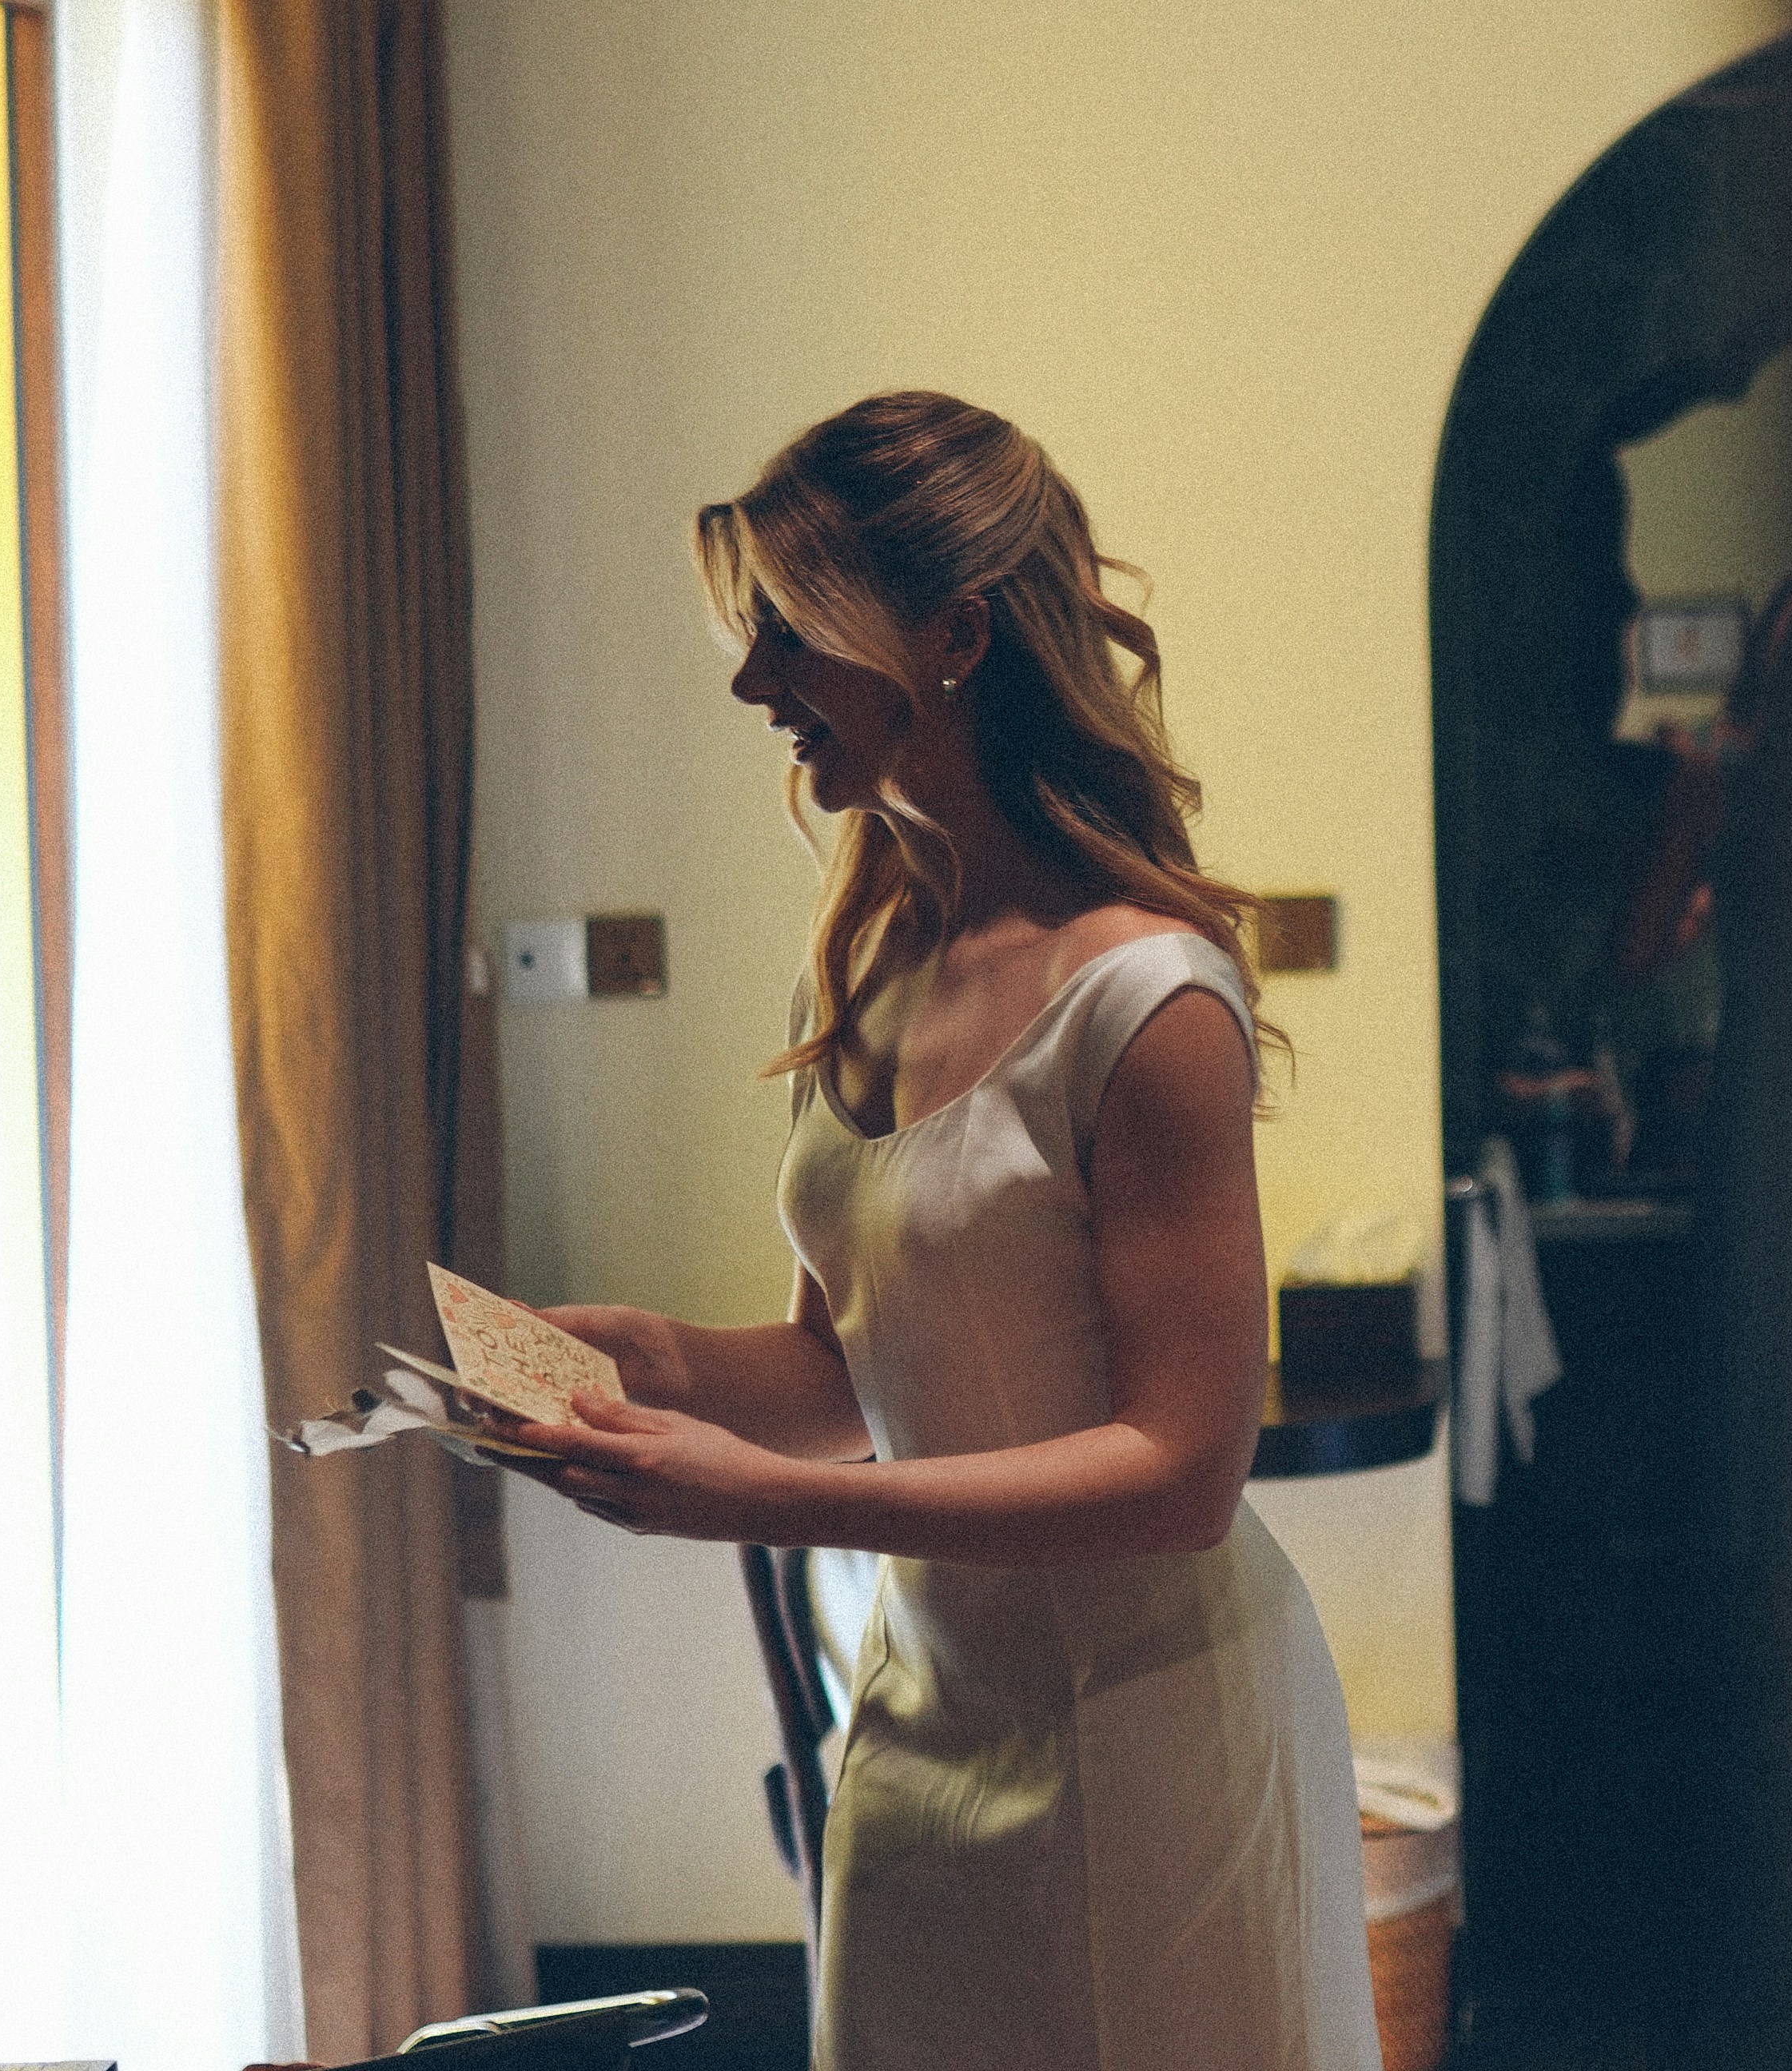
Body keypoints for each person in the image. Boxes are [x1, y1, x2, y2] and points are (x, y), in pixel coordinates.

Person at [500, 392, 1380, 2071]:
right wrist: (649, 1363)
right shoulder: (882, 961)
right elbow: (856, 1366)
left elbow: (1190, 1467)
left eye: (786, 630)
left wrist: (766, 1505)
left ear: (953, 631)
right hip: (922, 1721)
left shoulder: (1148, 997)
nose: (754, 682)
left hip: (1149, 1742)